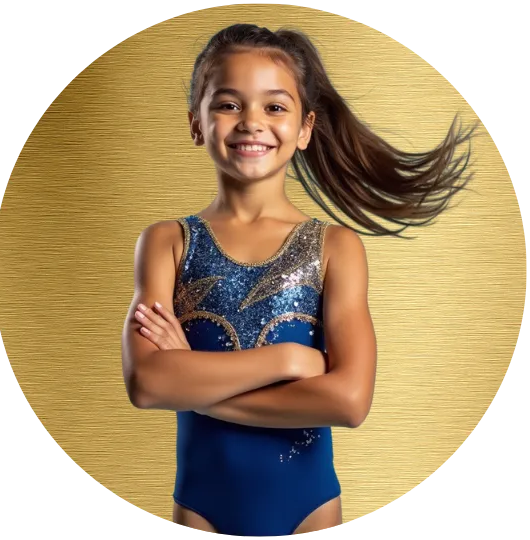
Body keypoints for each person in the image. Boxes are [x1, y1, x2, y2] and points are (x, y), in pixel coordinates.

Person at [121, 24, 479, 535]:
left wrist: (191, 380)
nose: (250, 123)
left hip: (309, 512)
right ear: (196, 122)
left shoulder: (336, 247)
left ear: (305, 127)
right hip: (201, 509)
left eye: (274, 106)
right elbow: (147, 383)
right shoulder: (166, 242)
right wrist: (288, 360)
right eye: (227, 104)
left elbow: (349, 401)